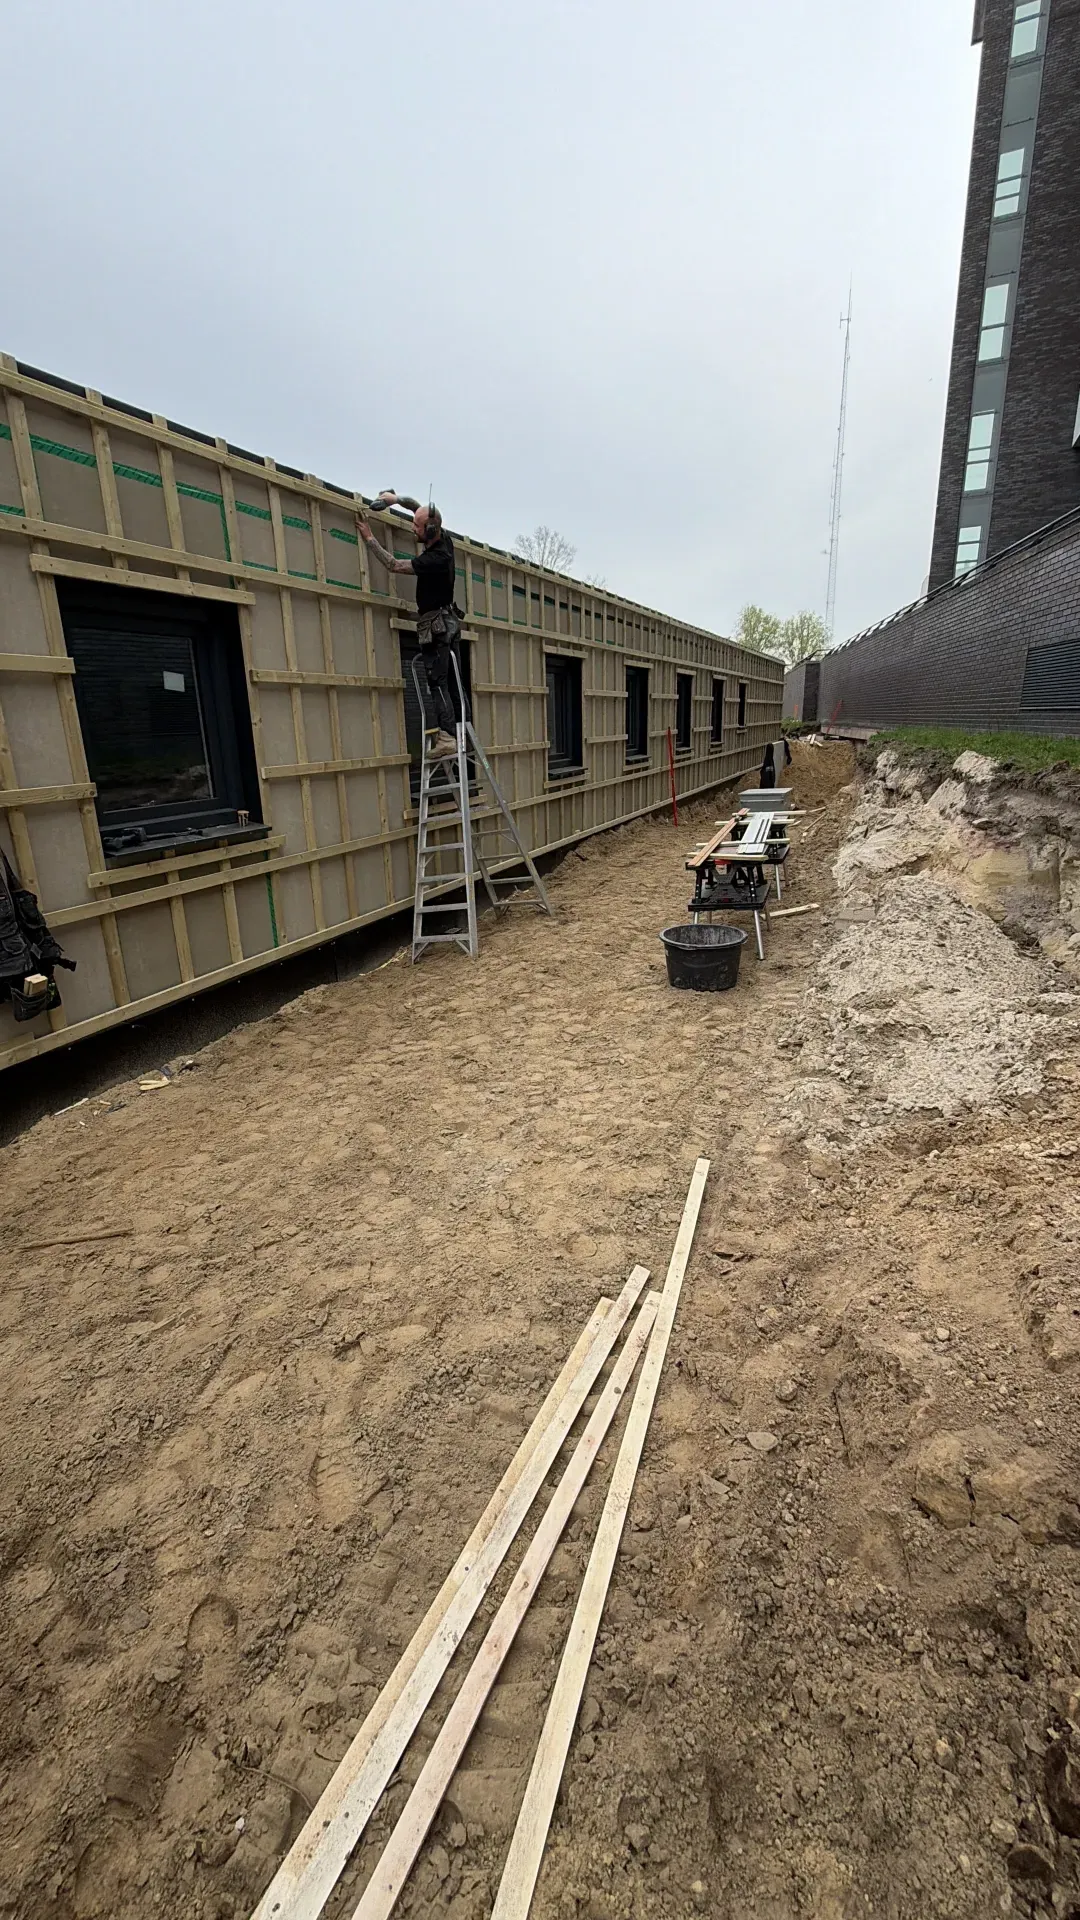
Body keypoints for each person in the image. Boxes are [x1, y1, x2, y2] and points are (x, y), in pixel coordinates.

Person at [357, 492, 460, 759]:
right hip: (448, 620)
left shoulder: (435, 560)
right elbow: (418, 507)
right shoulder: (445, 539)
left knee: (437, 683)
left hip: (436, 625)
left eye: (416, 526)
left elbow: (393, 565)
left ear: (431, 529)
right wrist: (395, 500)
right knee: (451, 681)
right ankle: (460, 730)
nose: (412, 528)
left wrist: (369, 538)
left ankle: (448, 738)